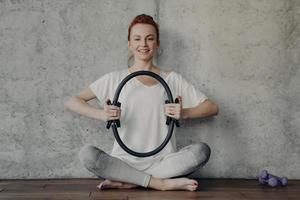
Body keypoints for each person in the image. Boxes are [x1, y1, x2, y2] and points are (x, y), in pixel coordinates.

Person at [64, 14, 219, 191]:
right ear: (129, 43)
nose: (143, 44)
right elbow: (72, 101)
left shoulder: (172, 79)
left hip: (163, 163)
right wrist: (101, 114)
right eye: (137, 39)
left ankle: (132, 181)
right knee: (88, 155)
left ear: (157, 43)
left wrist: (184, 113)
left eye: (149, 39)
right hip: (122, 163)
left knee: (201, 151)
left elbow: (212, 107)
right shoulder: (114, 79)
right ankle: (158, 183)